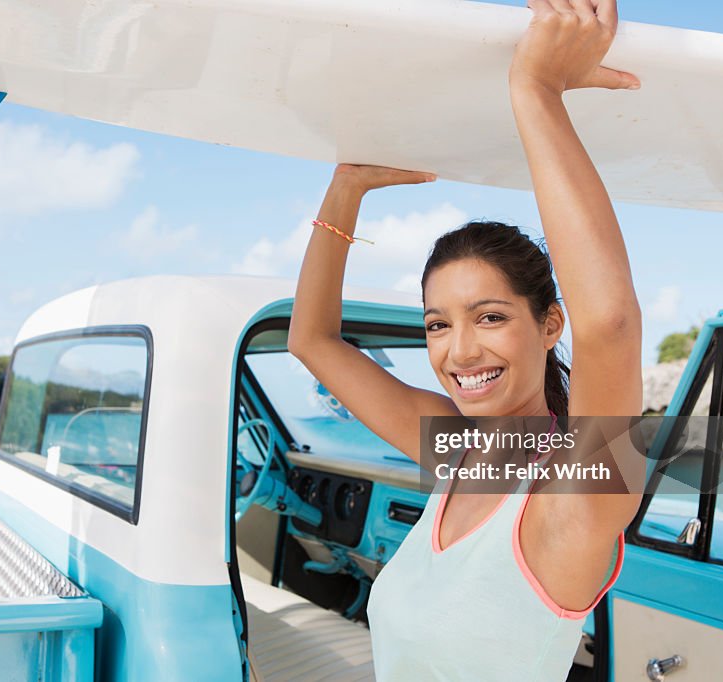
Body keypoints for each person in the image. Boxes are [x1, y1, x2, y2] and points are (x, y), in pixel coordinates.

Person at [287, 0, 644, 679]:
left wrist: (536, 90)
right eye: (437, 325)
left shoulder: (572, 496)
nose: (459, 352)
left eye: (489, 317)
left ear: (550, 323)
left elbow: (612, 324)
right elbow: (313, 341)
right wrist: (347, 189)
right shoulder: (458, 450)